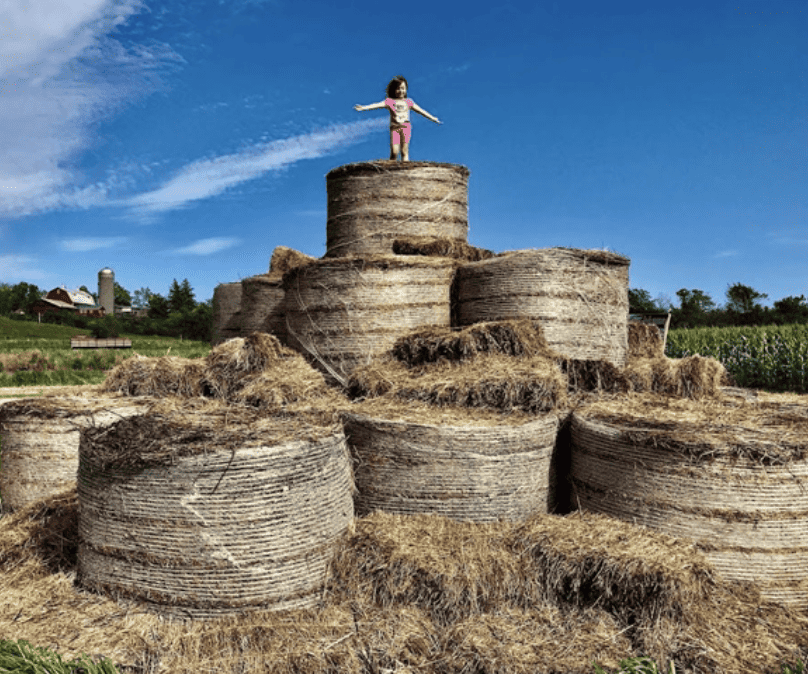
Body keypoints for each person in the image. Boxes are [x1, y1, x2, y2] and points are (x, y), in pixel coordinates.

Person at [354, 75, 441, 161]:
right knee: (394, 152)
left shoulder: (409, 102)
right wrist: (364, 107)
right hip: (395, 128)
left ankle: (406, 170)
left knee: (404, 151)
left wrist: (433, 118)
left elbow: (421, 111)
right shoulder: (389, 101)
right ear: (394, 90)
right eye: (398, 88)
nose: (401, 91)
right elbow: (376, 105)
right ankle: (392, 170)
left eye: (403, 88)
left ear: (406, 89)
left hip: (406, 127)